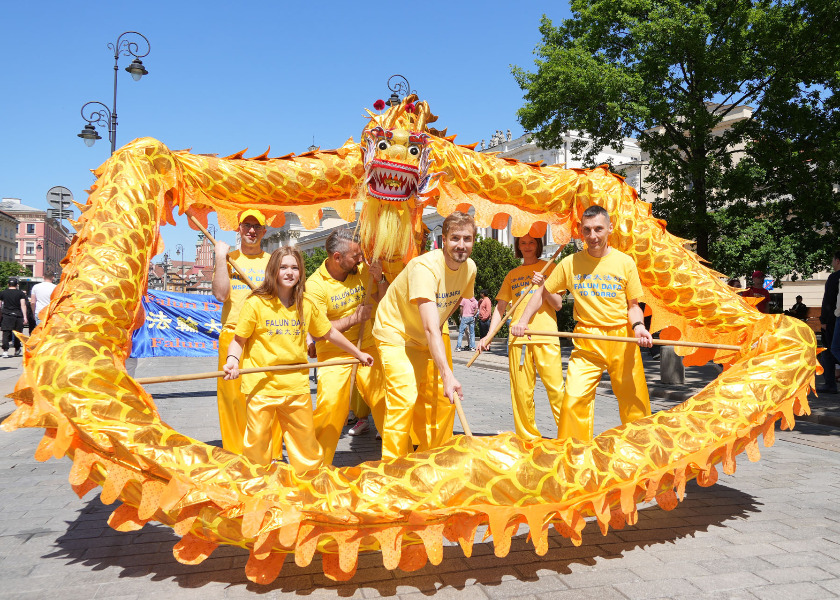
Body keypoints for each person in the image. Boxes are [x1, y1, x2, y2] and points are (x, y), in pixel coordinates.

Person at [222, 246, 373, 472]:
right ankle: (257, 490)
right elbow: (239, 340)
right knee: (257, 447)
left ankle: (310, 486)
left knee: (306, 448)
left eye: (294, 267)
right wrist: (233, 360)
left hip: (295, 387)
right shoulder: (255, 303)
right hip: (261, 387)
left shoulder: (306, 304)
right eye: (283, 267)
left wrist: (358, 354)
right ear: (273, 270)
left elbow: (329, 333)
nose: (289, 272)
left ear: (301, 272)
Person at [511, 205, 653, 441]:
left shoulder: (625, 262)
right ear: (580, 231)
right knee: (572, 402)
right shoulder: (570, 263)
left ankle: (641, 456)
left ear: (610, 228)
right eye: (587, 230)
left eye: (598, 229)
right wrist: (523, 322)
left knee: (635, 404)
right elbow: (542, 291)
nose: (593, 236)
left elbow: (633, 306)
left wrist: (639, 327)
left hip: (622, 339)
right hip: (587, 340)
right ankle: (574, 457)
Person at [372, 211, 477, 459]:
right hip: (394, 332)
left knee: (442, 402)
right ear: (443, 239)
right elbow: (431, 328)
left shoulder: (469, 268)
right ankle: (393, 468)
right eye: (455, 238)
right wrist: (447, 373)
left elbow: (452, 306)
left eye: (467, 239)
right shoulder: (424, 268)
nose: (461, 245)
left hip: (423, 335)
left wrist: (445, 377)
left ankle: (432, 461)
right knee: (405, 395)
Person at [307, 228, 388, 464]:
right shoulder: (315, 286)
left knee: (384, 400)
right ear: (337, 258)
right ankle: (318, 465)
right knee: (331, 406)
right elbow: (319, 332)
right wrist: (353, 319)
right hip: (334, 353)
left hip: (369, 347)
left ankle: (398, 459)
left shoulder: (364, 272)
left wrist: (380, 279)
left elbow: (382, 303)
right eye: (356, 255)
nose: (361, 259)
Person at [479, 234, 565, 440]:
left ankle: (569, 435)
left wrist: (544, 283)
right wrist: (489, 336)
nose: (527, 246)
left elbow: (558, 304)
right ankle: (528, 440)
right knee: (522, 393)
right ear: (518, 246)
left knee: (557, 391)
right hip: (518, 339)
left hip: (545, 336)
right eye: (523, 243)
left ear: (538, 245)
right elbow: (501, 308)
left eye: (531, 242)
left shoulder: (550, 267)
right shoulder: (512, 274)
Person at [212, 209, 281, 455]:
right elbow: (221, 295)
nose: (251, 230)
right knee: (232, 398)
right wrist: (220, 258)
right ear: (238, 229)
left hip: (264, 335)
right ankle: (235, 453)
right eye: (247, 225)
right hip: (232, 334)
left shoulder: (273, 260)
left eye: (257, 227)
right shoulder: (228, 258)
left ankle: (270, 453)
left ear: (264, 231)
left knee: (267, 394)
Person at [818, 251, 840, 393]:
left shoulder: (834, 278)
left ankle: (830, 383)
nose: (831, 263)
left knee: (830, 350)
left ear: (837, 261)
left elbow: (829, 300)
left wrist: (824, 320)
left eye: (832, 260)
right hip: (835, 318)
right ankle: (830, 383)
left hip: (833, 319)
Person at [0, 277, 28, 358]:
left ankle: (5, 351)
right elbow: (23, 305)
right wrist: (25, 316)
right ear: (17, 285)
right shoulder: (20, 293)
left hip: (6, 315)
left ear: (8, 284)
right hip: (18, 315)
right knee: (17, 333)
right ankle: (17, 349)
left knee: (6, 333)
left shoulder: (3, 293)